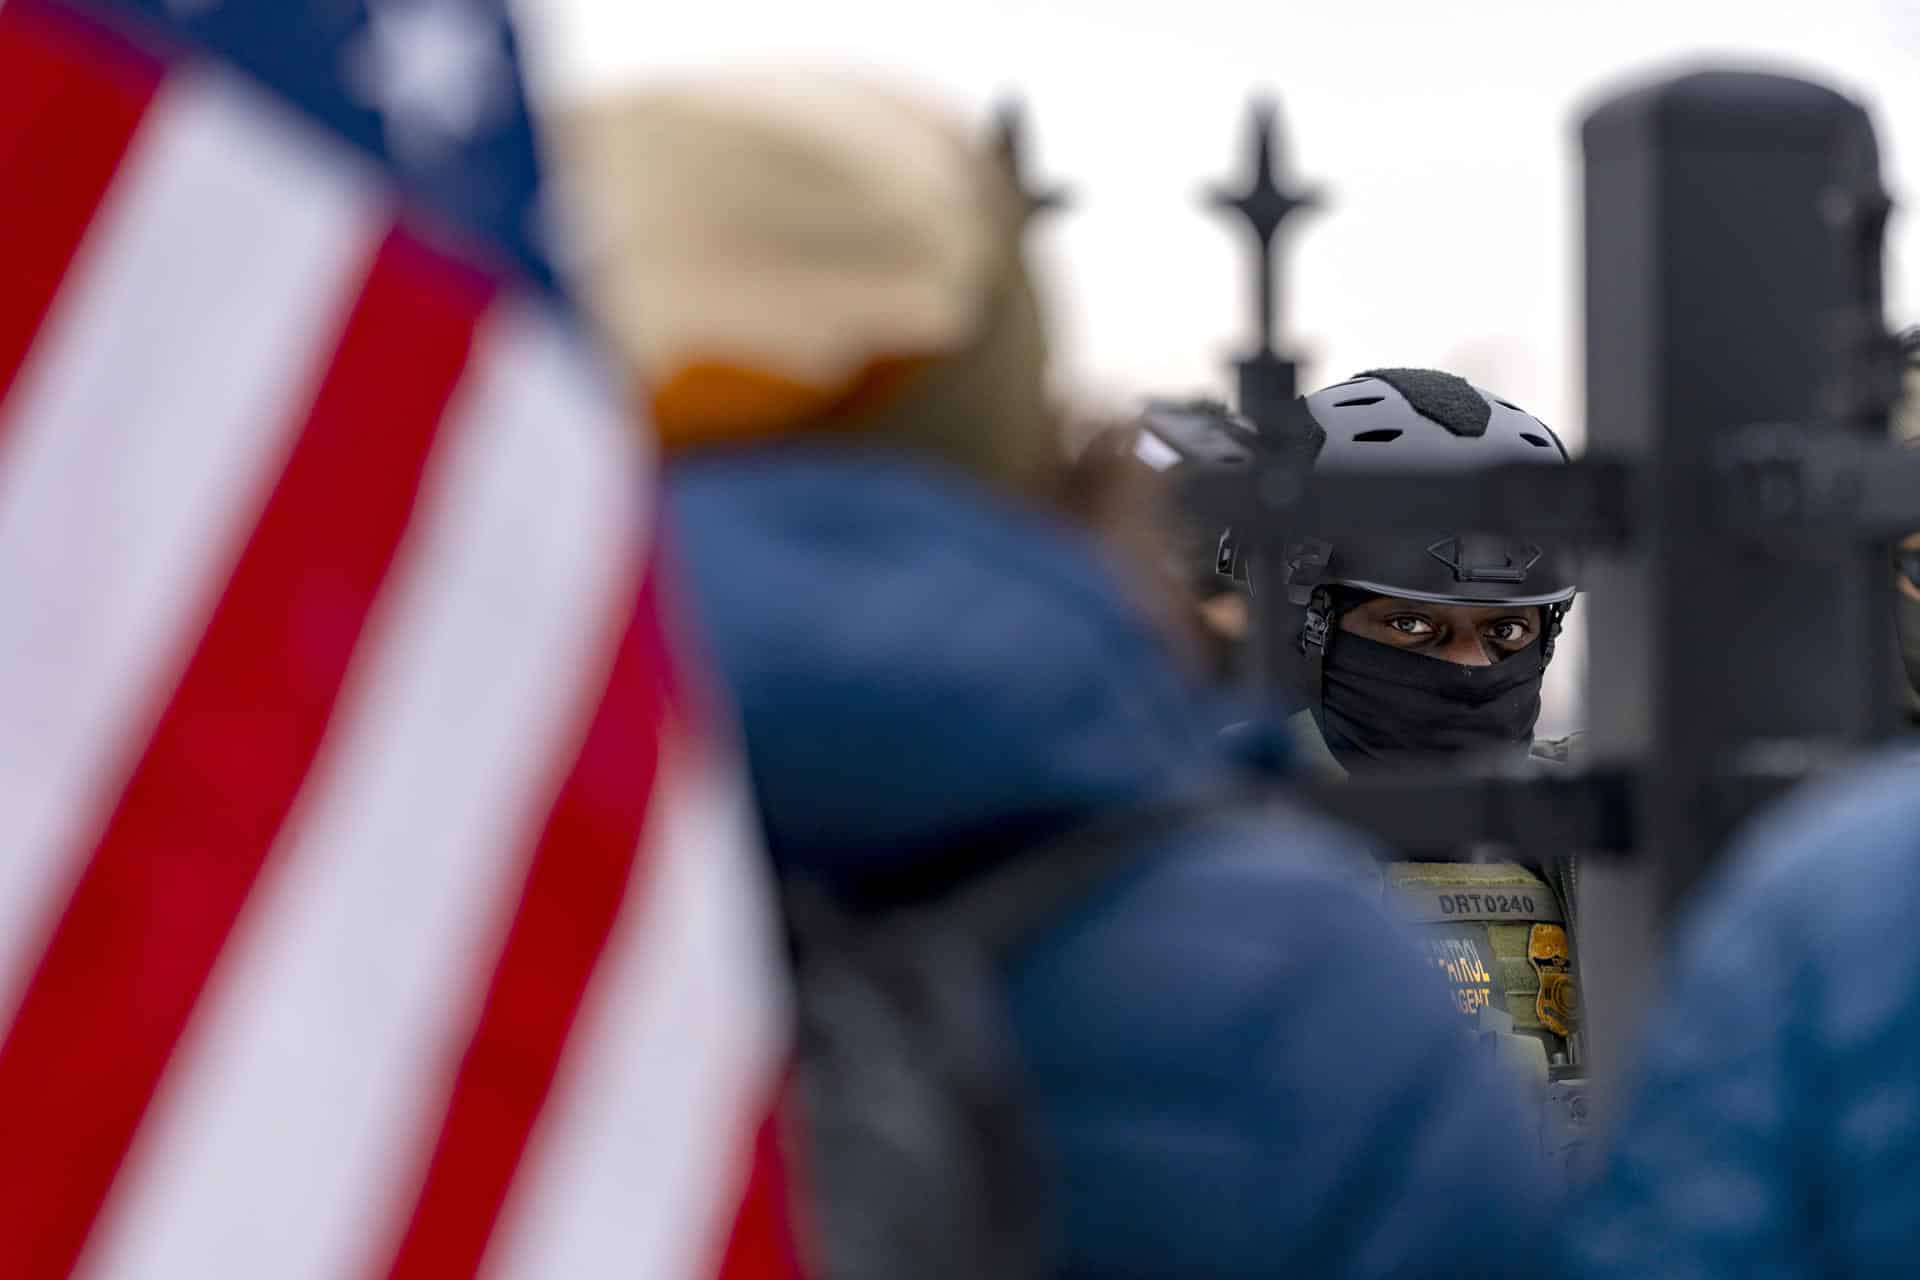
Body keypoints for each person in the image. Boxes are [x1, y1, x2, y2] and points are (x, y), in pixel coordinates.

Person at [557, 72, 1561, 1277]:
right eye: (1413, 630)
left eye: (1504, 637)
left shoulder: (313, 850)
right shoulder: (1300, 989)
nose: (1463, 672)